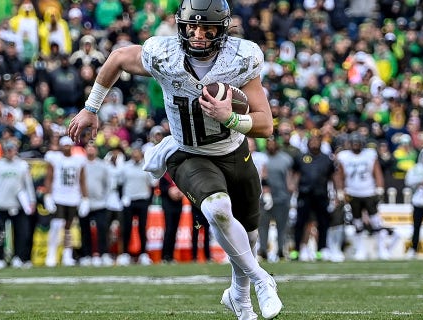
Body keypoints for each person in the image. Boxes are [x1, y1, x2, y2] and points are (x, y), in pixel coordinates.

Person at [67, 0, 283, 318]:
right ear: (181, 26)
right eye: (191, 26)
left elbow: (266, 124)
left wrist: (231, 118)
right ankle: (261, 280)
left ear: (221, 29)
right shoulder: (164, 53)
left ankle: (240, 296)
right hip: (187, 152)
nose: (197, 34)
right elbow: (118, 57)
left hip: (233, 151)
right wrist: (91, 107)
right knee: (218, 209)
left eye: (206, 27)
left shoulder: (241, 58)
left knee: (249, 235)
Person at [334, 132, 387, 260]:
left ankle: (382, 248)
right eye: (354, 143)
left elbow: (377, 171)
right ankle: (360, 249)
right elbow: (339, 175)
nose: (356, 145)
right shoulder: (344, 156)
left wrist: (380, 188)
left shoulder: (369, 154)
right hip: (352, 192)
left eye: (358, 143)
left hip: (368, 191)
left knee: (375, 221)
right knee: (357, 222)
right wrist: (340, 190)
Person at [43, 136, 89, 267]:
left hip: (73, 197)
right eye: (64, 145)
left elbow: (82, 180)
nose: (66, 147)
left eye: (68, 145)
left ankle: (67, 254)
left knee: (69, 227)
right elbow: (49, 178)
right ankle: (51, 254)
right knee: (56, 225)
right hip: (58, 196)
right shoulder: (55, 158)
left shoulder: (79, 160)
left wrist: (85, 198)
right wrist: (48, 195)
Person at [0, 140, 36, 268]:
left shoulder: (22, 165)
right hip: (1, 204)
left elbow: (28, 185)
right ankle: (0, 258)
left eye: (12, 149)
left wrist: (31, 201)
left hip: (18, 205)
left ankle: (19, 257)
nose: (10, 152)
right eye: (7, 149)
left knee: (22, 233)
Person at [290, 134, 334, 262]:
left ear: (321, 143)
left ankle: (321, 250)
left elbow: (333, 176)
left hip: (321, 195)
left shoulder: (327, 159)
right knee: (300, 223)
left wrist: (337, 193)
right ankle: (297, 250)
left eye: (317, 140)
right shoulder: (301, 158)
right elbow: (294, 173)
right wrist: (292, 187)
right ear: (308, 143)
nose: (314, 143)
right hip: (304, 194)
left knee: (323, 223)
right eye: (312, 141)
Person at [117, 148, 156, 266]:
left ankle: (143, 254)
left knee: (142, 228)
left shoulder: (146, 166)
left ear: (141, 154)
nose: (136, 154)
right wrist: (122, 198)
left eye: (138, 152)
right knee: (126, 228)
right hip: (128, 201)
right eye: (134, 152)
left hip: (142, 200)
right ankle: (125, 254)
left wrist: (148, 201)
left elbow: (152, 185)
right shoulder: (125, 167)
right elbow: (120, 184)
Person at [80, 141, 114, 267]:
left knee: (102, 228)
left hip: (100, 203)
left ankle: (103, 254)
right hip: (84, 202)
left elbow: (108, 184)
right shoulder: (81, 164)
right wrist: (81, 198)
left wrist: (104, 198)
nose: (91, 149)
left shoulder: (102, 165)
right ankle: (86, 255)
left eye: (93, 147)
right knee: (85, 230)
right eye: (88, 147)